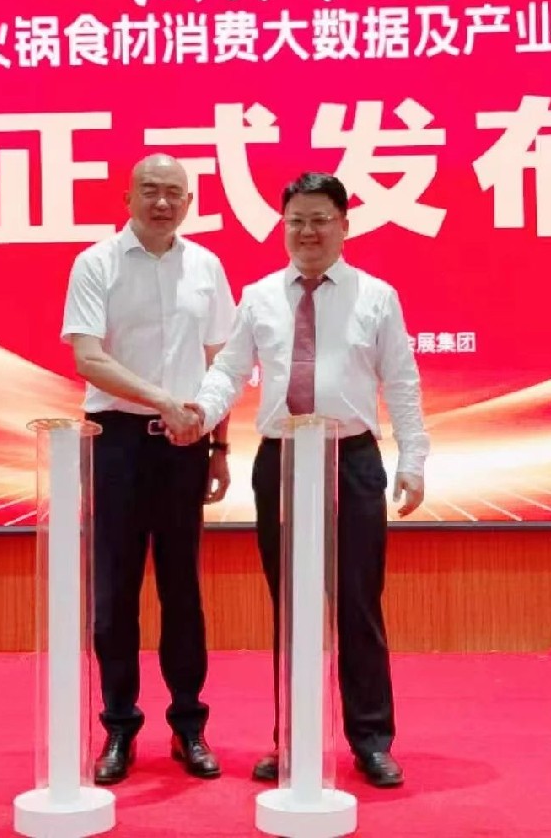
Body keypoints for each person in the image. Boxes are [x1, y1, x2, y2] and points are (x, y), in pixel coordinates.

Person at [191, 171, 427, 789]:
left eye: (320, 220)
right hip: (282, 461)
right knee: (290, 607)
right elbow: (228, 373)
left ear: (344, 225)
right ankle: (292, 738)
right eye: (296, 221)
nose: (308, 232)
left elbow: (401, 382)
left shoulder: (377, 296)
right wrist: (198, 413)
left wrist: (413, 459)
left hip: (351, 460)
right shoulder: (259, 296)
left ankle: (371, 740)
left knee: (358, 604)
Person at [60, 154, 236, 785]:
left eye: (174, 193)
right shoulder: (96, 263)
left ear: (188, 203)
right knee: (115, 591)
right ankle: (118, 726)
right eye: (150, 191)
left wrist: (219, 446)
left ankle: (189, 724)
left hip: (187, 440)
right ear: (128, 198)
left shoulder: (206, 266)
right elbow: (88, 358)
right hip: (117, 442)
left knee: (182, 590)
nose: (162, 203)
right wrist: (162, 399)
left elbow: (222, 363)